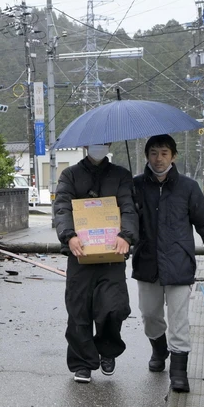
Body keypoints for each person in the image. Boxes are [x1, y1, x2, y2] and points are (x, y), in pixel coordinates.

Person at [132, 134, 204, 393]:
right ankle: (159, 350)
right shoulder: (136, 186)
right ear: (146, 156)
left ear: (173, 156)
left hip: (179, 262)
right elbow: (123, 221)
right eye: (153, 153)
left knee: (179, 319)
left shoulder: (188, 187)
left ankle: (179, 372)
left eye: (164, 153)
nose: (158, 158)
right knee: (150, 315)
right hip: (147, 262)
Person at [53, 144, 138, 384]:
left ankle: (107, 350)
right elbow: (62, 206)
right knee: (79, 309)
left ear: (109, 145)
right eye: (94, 143)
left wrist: (126, 235)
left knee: (114, 307)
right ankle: (83, 362)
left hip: (112, 254)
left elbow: (129, 208)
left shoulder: (121, 175)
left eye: (103, 143)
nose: (99, 147)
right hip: (80, 254)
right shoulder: (70, 175)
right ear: (86, 146)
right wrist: (69, 235)